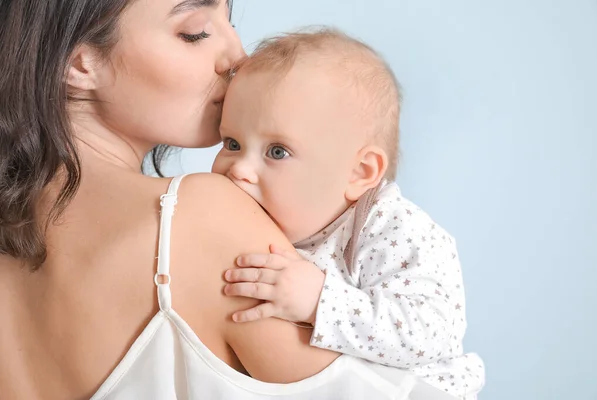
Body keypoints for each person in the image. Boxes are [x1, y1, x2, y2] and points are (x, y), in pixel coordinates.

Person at [0, 1, 382, 399]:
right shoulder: (200, 218)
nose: (238, 57)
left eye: (229, 21)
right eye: (195, 33)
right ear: (79, 64)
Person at [213, 29, 485, 399]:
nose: (239, 168)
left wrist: (321, 300)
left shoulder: (393, 229)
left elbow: (429, 333)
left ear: (360, 173)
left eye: (277, 152)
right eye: (232, 143)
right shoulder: (254, 223)